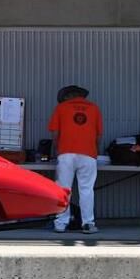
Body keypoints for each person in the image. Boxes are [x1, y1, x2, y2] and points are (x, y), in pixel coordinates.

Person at [48, 84, 103, 234]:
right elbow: (98, 136)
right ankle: (88, 223)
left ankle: (61, 223)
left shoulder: (61, 108)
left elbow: (55, 135)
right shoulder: (94, 108)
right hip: (88, 155)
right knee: (86, 190)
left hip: (66, 154)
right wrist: (94, 151)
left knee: (63, 189)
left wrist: (56, 151)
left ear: (68, 96)